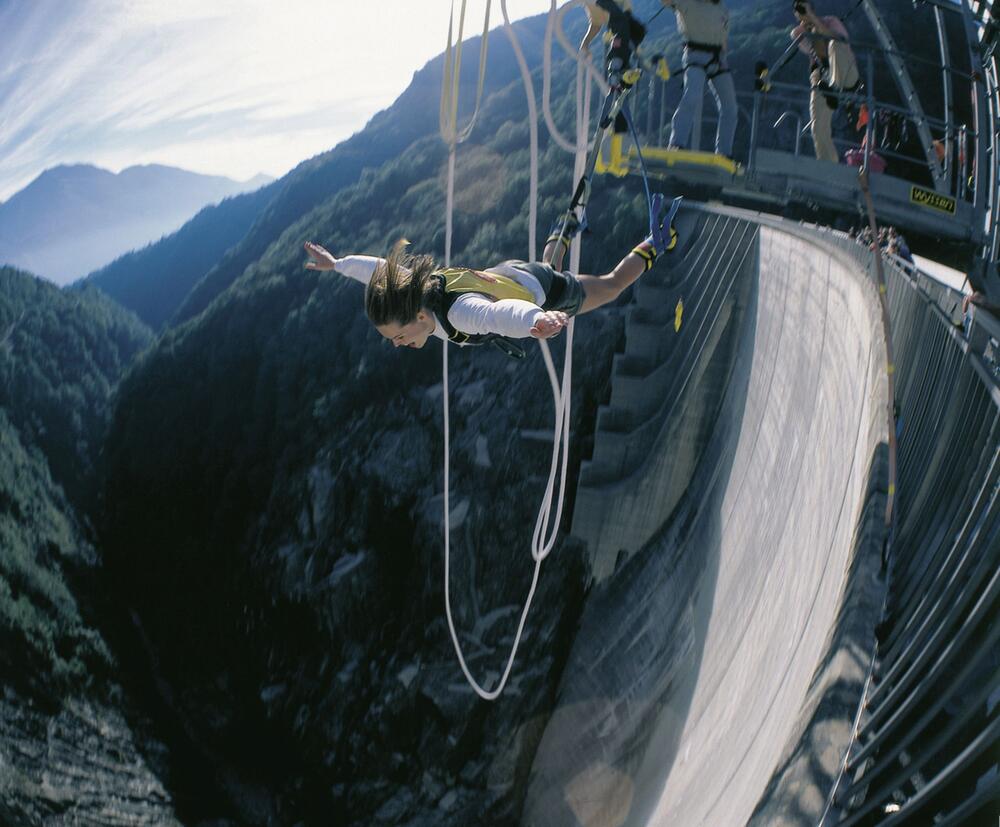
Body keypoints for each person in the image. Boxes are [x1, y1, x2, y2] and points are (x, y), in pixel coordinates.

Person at [302, 210, 677, 352]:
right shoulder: (413, 290)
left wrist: (535, 321)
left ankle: (656, 241)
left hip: (533, 291)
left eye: (398, 337)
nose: (399, 345)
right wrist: (337, 264)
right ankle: (560, 232)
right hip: (506, 273)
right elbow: (377, 269)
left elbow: (497, 316)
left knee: (610, 286)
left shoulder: (461, 314)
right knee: (546, 270)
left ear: (418, 317)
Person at [664, 0, 738, 158]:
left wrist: (724, 59)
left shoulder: (721, 8)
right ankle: (676, 143)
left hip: (718, 58)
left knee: (730, 106)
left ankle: (724, 153)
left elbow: (723, 38)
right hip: (695, 55)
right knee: (692, 96)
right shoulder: (687, 3)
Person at [791, 0, 860, 163]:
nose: (802, 12)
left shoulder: (831, 21)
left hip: (846, 73)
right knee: (818, 127)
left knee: (834, 44)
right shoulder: (801, 31)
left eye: (805, 7)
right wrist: (807, 25)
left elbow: (839, 39)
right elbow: (797, 37)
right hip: (823, 80)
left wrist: (813, 18)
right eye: (799, 10)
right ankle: (828, 165)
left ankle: (834, 88)